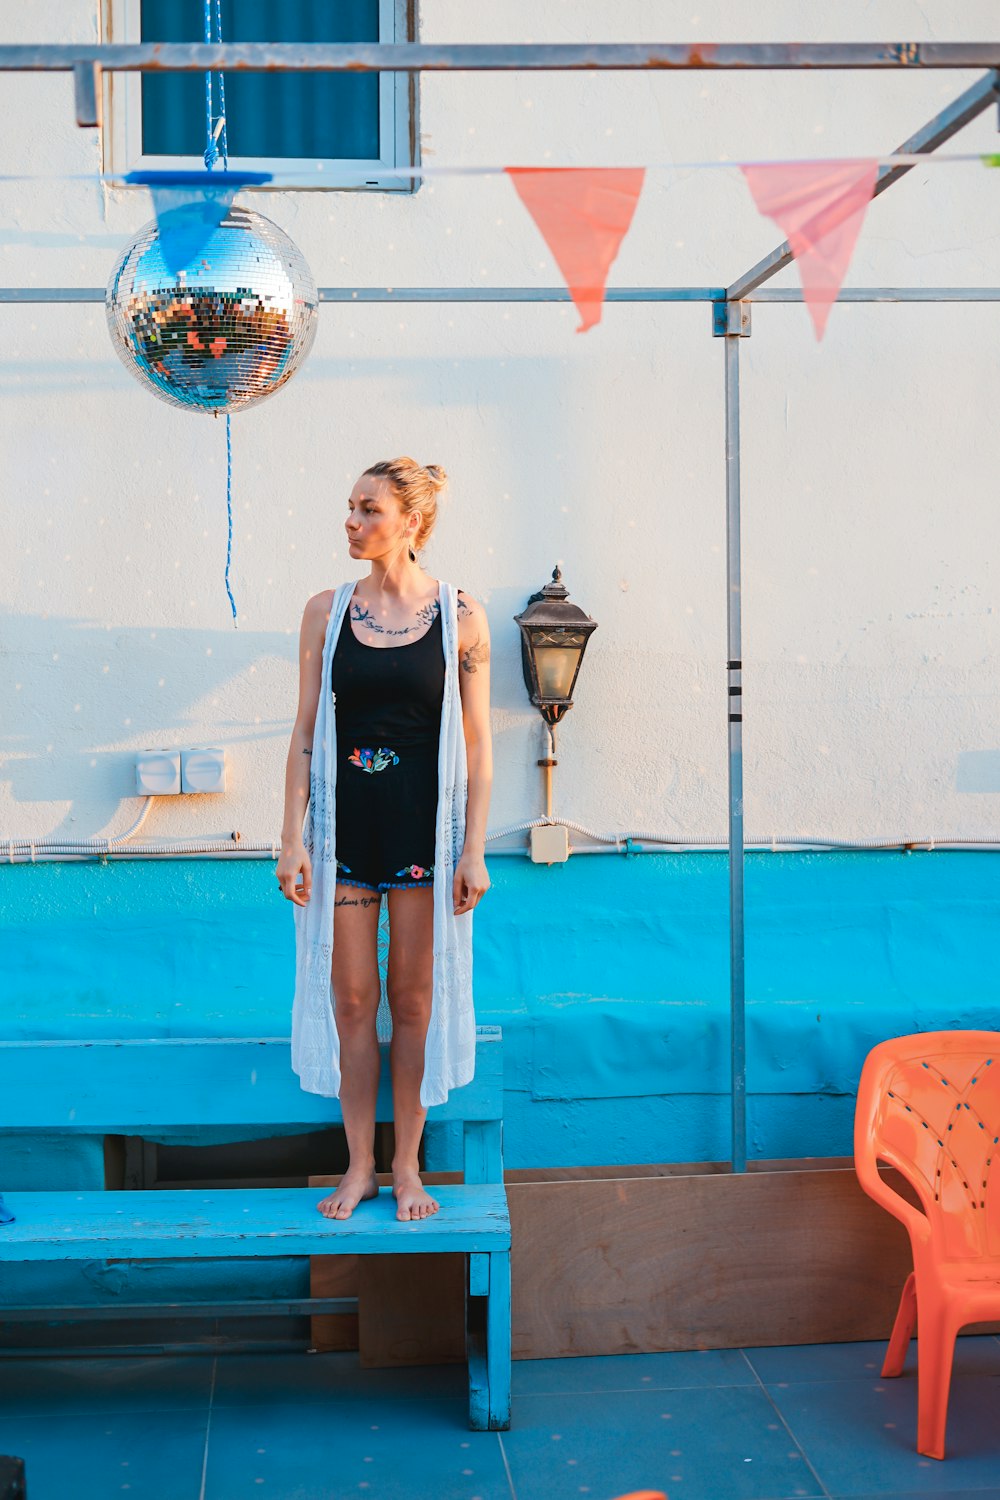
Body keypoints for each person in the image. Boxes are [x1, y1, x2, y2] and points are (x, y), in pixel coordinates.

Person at [277, 458, 492, 1223]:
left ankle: (407, 1166)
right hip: (344, 835)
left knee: (411, 999)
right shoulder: (325, 613)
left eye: (368, 509)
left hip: (422, 835)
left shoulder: (461, 617)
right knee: (351, 1000)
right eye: (350, 508)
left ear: (411, 521)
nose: (352, 521)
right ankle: (360, 1164)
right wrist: (291, 838)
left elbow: (479, 746)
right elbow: (305, 732)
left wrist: (473, 850)